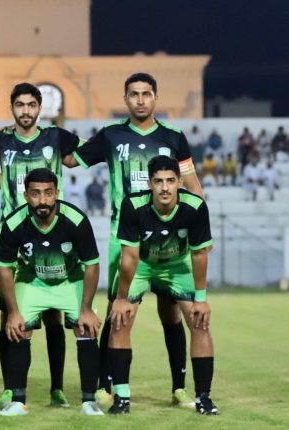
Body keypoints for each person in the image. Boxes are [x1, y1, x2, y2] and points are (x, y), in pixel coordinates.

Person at [65, 72, 204, 407]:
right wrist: (53, 134)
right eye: (134, 94)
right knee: (118, 309)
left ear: (155, 97)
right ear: (125, 99)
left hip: (168, 240)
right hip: (124, 238)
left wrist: (196, 223)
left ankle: (179, 388)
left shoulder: (173, 136)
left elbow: (192, 186)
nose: (140, 100)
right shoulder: (111, 135)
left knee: (172, 311)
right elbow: (70, 160)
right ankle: (106, 385)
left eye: (146, 94)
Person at [0, 82, 84, 407]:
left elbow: (75, 159)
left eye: (31, 105)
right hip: (14, 236)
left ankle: (57, 389)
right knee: (8, 315)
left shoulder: (56, 137)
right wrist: (4, 180)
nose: (25, 111)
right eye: (20, 105)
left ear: (40, 108)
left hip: (52, 232)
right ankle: (11, 388)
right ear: (12, 107)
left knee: (54, 316)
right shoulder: (1, 140)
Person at [108, 155, 219, 416]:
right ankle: (122, 397)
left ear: (180, 182)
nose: (165, 187)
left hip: (178, 266)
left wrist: (201, 298)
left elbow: (199, 254)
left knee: (200, 322)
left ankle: (203, 398)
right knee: (120, 320)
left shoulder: (195, 206)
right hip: (142, 265)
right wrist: (121, 299)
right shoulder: (133, 205)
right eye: (158, 181)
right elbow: (129, 257)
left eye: (170, 181)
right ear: (150, 184)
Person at [0, 168, 103, 416]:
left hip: (70, 279)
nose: (42, 200)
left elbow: (92, 265)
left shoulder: (76, 220)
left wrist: (86, 309)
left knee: (86, 328)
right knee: (19, 328)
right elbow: (4, 269)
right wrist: (13, 312)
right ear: (26, 195)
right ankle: (18, 402)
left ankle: (89, 402)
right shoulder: (13, 223)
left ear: (56, 193)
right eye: (35, 194)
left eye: (48, 193)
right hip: (32, 279)